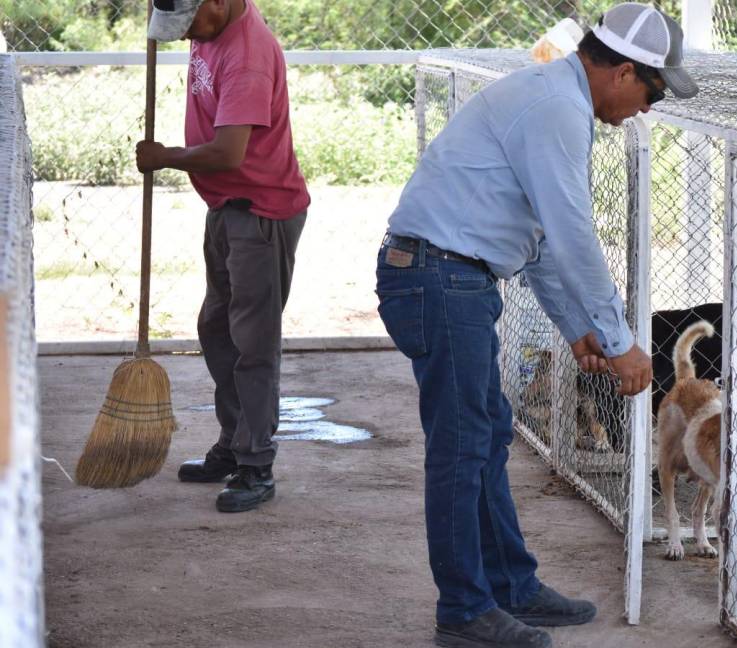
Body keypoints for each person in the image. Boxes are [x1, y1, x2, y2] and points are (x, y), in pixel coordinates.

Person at [376, 4, 698, 647]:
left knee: (484, 432)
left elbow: (543, 236)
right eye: (654, 90)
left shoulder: (558, 97)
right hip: (440, 278)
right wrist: (618, 339)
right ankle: (464, 612)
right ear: (624, 71)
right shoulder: (558, 108)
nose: (650, 106)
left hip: (447, 276)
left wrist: (577, 324)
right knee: (464, 447)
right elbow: (574, 235)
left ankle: (510, 587)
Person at [135, 0, 309, 513]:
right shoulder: (209, 23)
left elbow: (228, 152)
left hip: (261, 210)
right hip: (226, 205)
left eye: (190, 22)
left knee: (253, 342)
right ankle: (234, 445)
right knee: (216, 326)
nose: (187, 33)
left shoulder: (248, 56)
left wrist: (165, 157)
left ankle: (256, 465)